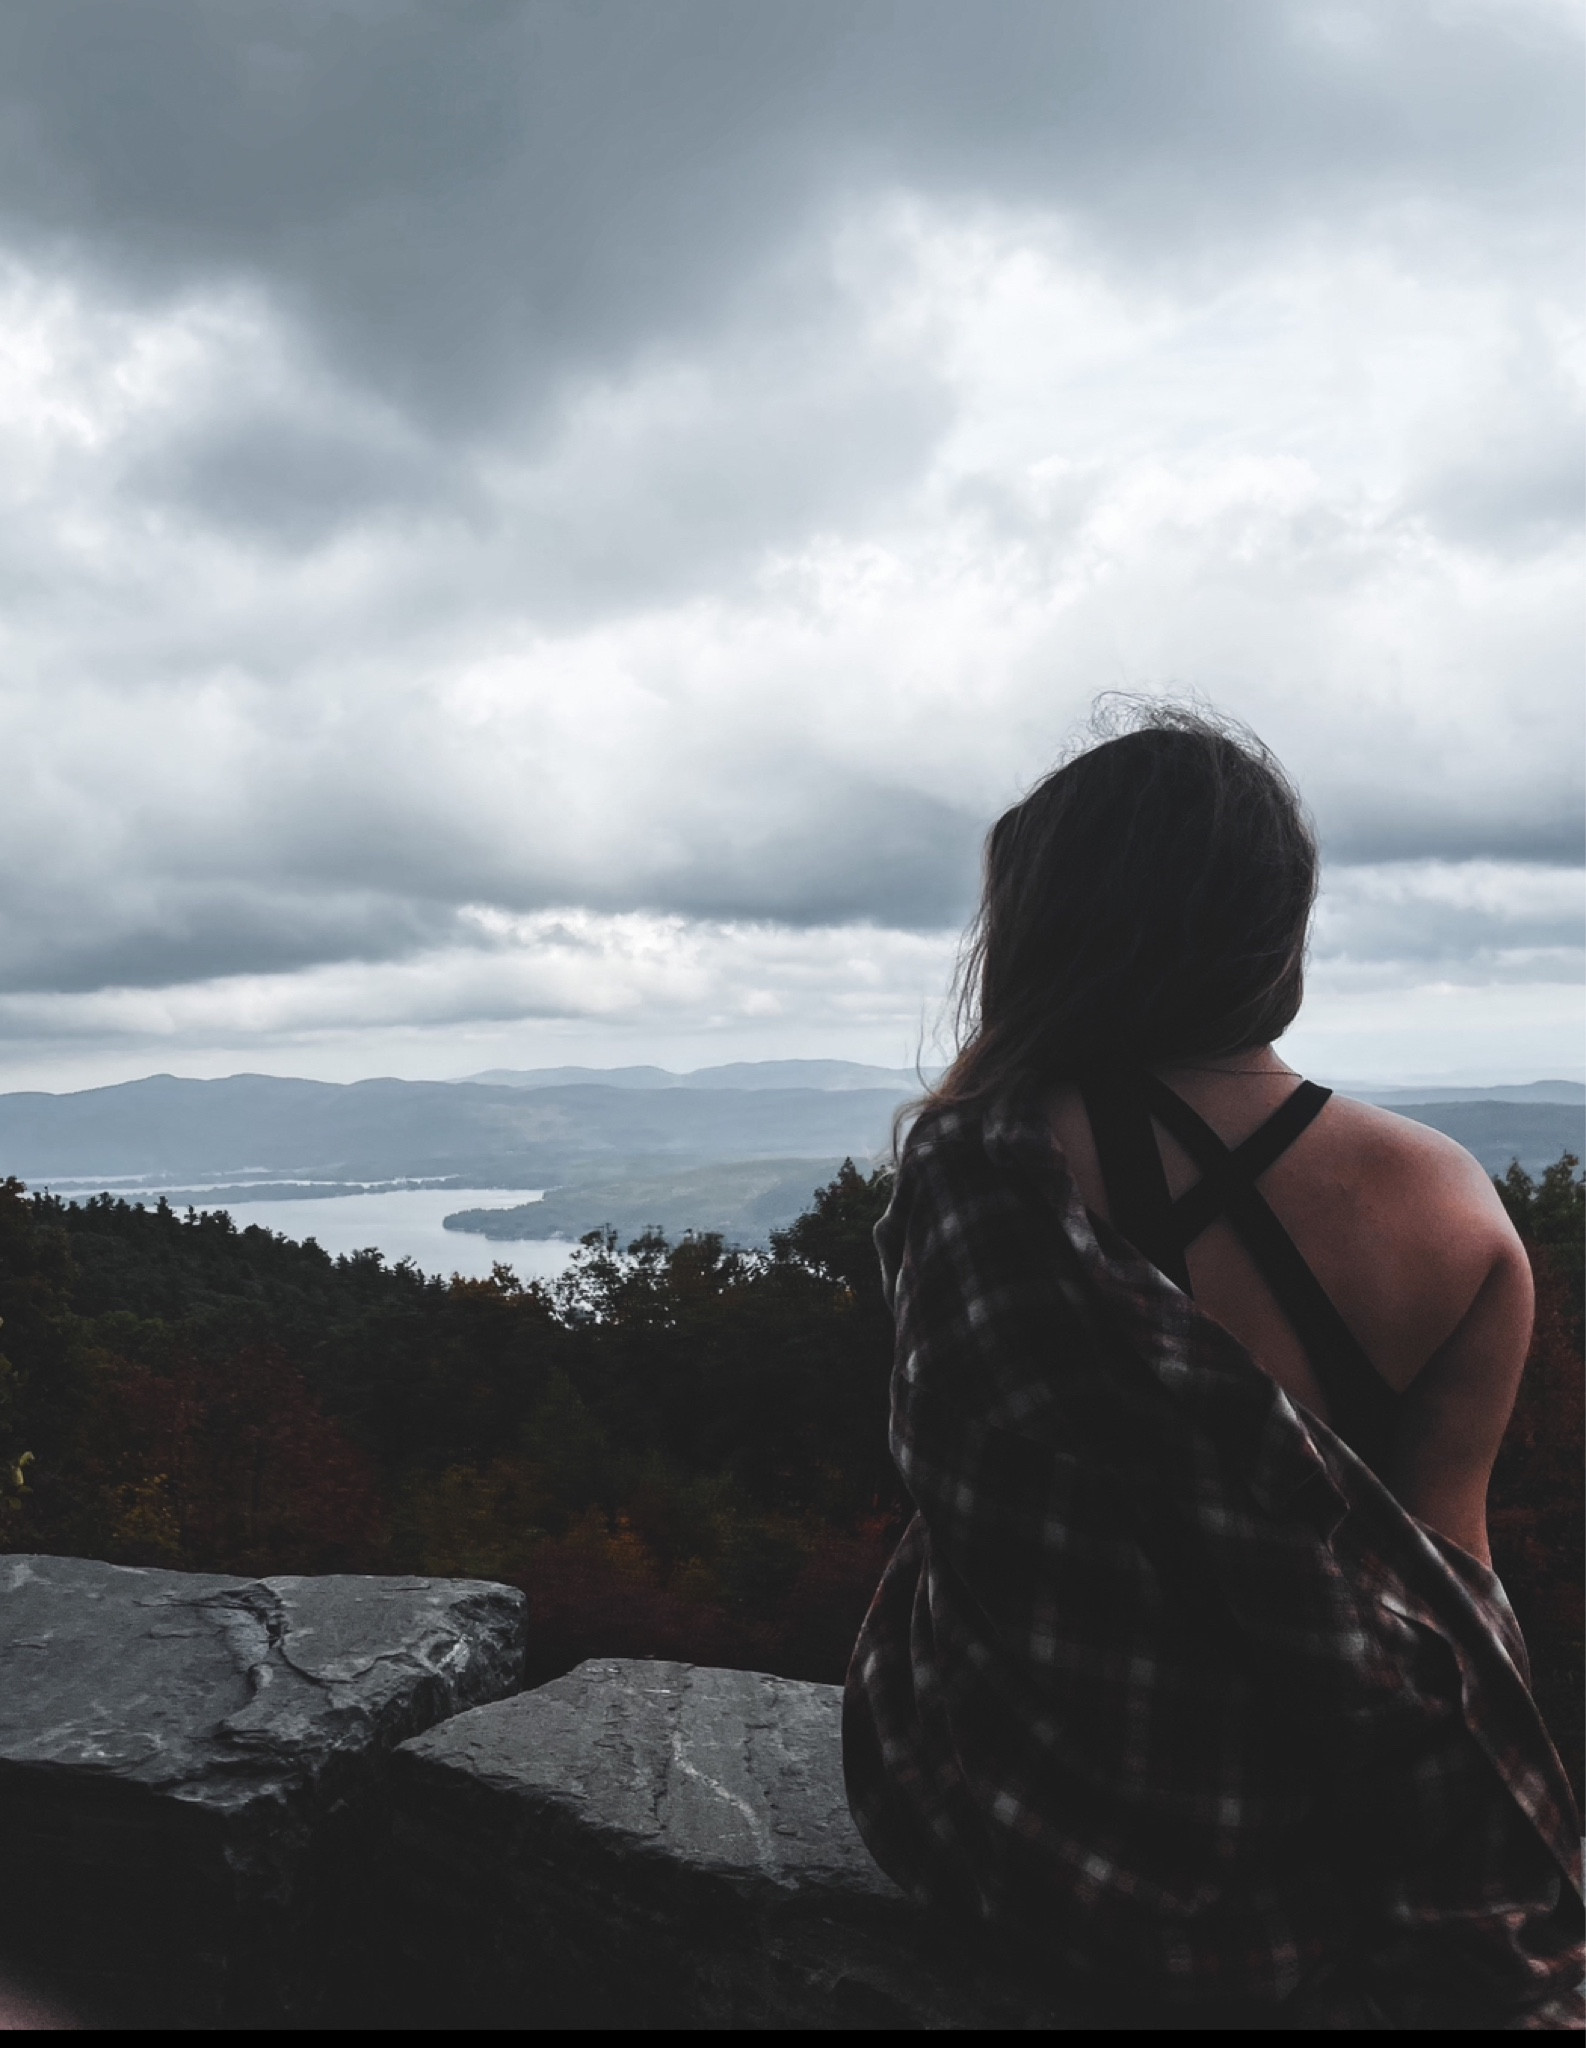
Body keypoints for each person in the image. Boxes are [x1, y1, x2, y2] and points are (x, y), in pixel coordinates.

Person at [843, 708, 1582, 2030]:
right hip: (1341, 1885)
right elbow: (1445, 1593)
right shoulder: (1453, 1209)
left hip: (1021, 1831)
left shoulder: (980, 1169)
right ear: (1270, 928)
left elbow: (967, 1515)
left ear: (1048, 929)